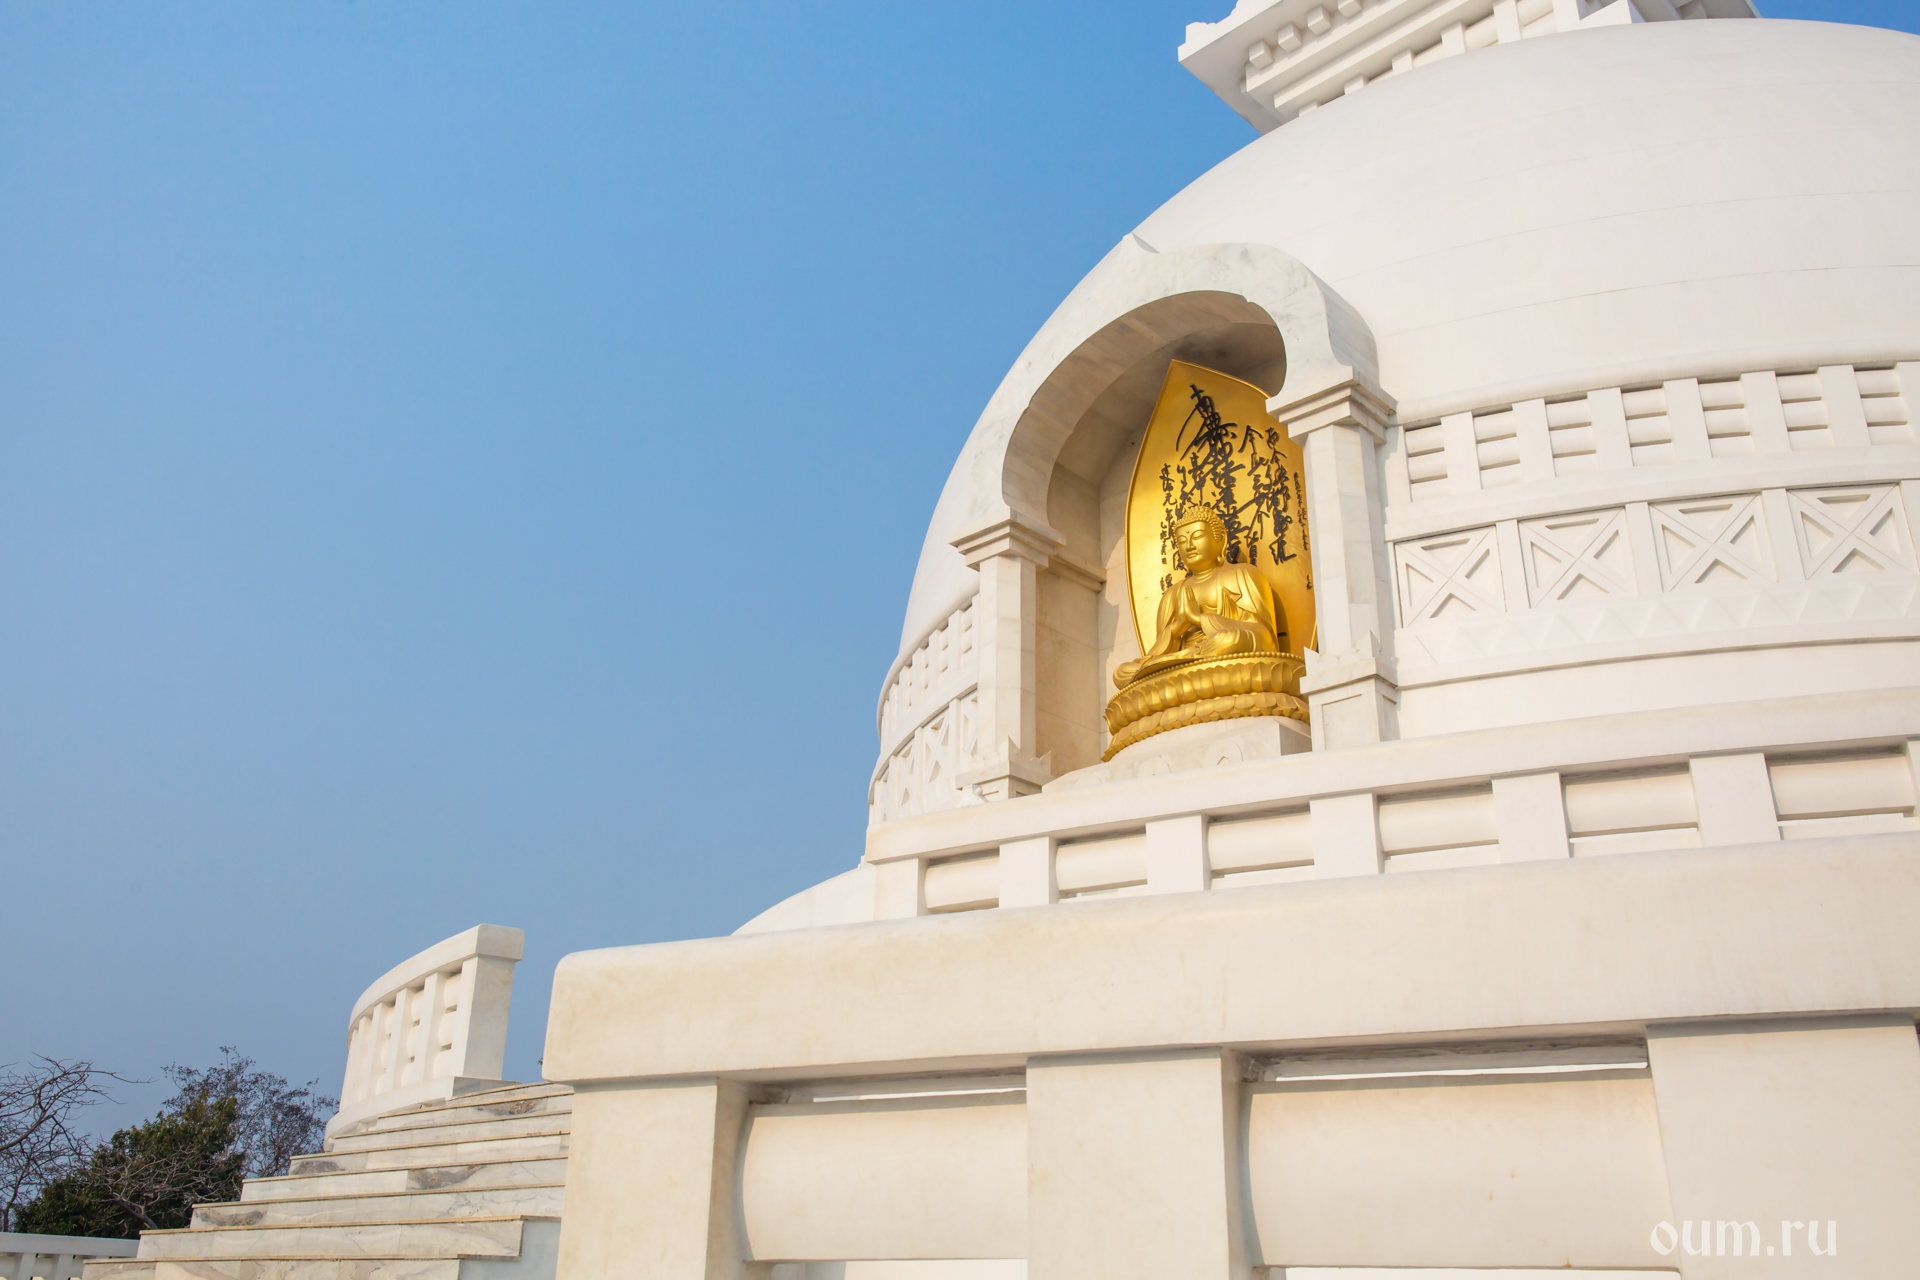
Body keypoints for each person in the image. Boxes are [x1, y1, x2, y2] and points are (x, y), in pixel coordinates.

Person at [1114, 507, 1285, 688]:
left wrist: (1198, 619)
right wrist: (1178, 627)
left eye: (1197, 536)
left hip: (1224, 655)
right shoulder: (1172, 594)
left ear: (1221, 539)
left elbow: (1265, 636)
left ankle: (1189, 662)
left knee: (1229, 639)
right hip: (1182, 663)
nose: (1189, 546)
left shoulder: (1241, 574)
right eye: (1182, 541)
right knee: (1122, 673)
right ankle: (1187, 662)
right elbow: (1157, 652)